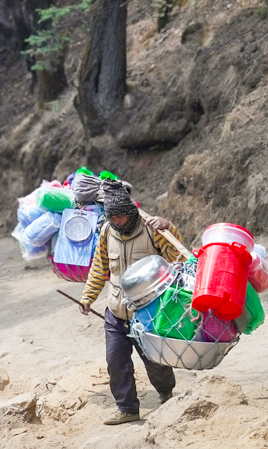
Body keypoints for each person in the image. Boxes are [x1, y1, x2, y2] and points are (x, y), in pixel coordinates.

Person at [79, 179, 187, 425]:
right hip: (116, 311)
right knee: (116, 361)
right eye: (111, 218)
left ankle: (165, 393)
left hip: (147, 312)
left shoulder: (152, 230)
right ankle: (127, 408)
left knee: (155, 363)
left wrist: (170, 228)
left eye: (120, 217)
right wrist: (88, 297)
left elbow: (180, 258)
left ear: (130, 213)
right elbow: (99, 267)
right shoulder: (107, 231)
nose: (116, 222)